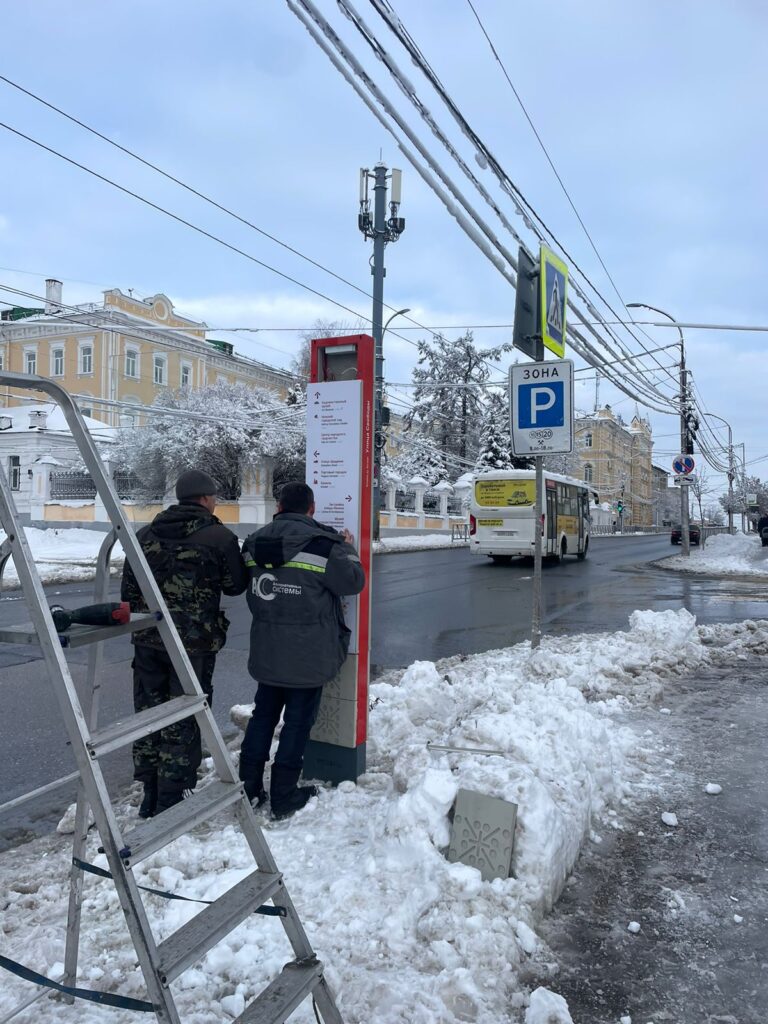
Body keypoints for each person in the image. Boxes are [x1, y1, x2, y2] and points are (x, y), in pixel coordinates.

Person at [121, 469, 248, 817]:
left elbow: (128, 595)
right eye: (215, 497)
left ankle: (150, 791)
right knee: (185, 714)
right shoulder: (219, 537)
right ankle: (171, 798)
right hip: (194, 646)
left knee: (149, 712)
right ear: (205, 499)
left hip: (148, 641)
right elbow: (236, 586)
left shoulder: (144, 534)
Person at [239, 481, 366, 818]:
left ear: (278, 507)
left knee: (262, 716)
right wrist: (349, 549)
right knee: (296, 724)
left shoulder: (253, 543)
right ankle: (283, 795)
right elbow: (353, 582)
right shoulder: (325, 545)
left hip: (267, 650)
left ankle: (249, 789)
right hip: (308, 655)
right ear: (311, 509)